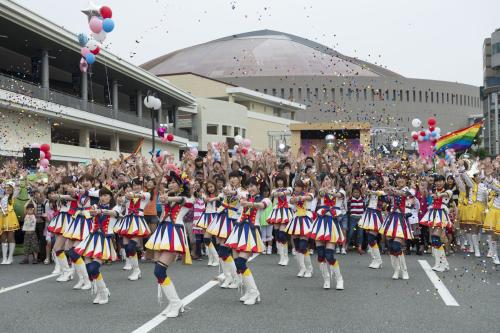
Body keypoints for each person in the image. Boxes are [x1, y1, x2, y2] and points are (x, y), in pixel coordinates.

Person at [145, 171, 193, 318]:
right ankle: (174, 303)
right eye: (170, 182)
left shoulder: (187, 198)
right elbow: (159, 185)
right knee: (159, 271)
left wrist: (169, 197)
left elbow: (184, 200)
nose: (171, 184)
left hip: (174, 234)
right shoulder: (166, 196)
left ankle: (176, 303)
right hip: (162, 232)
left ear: (180, 186)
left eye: (174, 182)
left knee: (159, 271)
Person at [226, 177, 270, 305]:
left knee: (241, 262)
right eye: (249, 186)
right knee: (237, 263)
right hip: (239, 230)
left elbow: (262, 205)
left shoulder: (264, 198)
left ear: (259, 187)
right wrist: (231, 192)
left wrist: (249, 204)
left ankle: (255, 293)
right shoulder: (245, 195)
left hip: (251, 231)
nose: (250, 188)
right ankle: (249, 291)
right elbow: (236, 193)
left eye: (253, 186)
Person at [75, 187, 121, 304]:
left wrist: (101, 211)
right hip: (92, 238)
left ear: (110, 197)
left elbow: (114, 214)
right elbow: (88, 212)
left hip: (105, 239)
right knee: (89, 269)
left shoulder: (116, 207)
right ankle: (100, 292)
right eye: (101, 195)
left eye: (105, 195)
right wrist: (88, 211)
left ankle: (104, 291)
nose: (103, 198)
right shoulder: (95, 206)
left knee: (94, 267)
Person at [206, 171, 243, 289]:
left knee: (225, 250)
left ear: (240, 179)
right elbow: (221, 196)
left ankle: (237, 278)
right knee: (221, 250)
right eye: (231, 177)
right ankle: (228, 277)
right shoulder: (226, 188)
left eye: (235, 178)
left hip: (231, 219)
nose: (232, 180)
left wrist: (231, 192)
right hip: (221, 217)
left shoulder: (242, 190)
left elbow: (237, 194)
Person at [310, 173, 345, 289]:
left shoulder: (339, 191)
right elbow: (320, 193)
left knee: (329, 255)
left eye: (329, 179)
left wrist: (331, 192)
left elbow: (339, 195)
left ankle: (339, 279)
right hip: (320, 223)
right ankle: (326, 279)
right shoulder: (322, 191)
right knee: (320, 254)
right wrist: (321, 187)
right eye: (325, 179)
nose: (327, 181)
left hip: (332, 224)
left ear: (333, 180)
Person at [114, 177, 151, 281]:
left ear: (142, 185)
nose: (136, 187)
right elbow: (120, 204)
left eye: (138, 184)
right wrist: (120, 199)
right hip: (127, 221)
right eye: (134, 185)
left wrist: (131, 195)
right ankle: (136, 270)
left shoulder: (146, 194)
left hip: (137, 221)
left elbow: (140, 195)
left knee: (131, 247)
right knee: (126, 247)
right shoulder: (127, 196)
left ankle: (136, 270)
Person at [379, 174, 413, 280]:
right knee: (390, 245)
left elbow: (404, 194)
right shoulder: (393, 189)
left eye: (402, 178)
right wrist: (386, 185)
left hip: (401, 218)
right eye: (398, 178)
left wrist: (392, 190)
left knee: (396, 245)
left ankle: (404, 270)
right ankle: (396, 270)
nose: (400, 180)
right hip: (392, 218)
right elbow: (385, 192)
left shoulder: (409, 190)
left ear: (406, 180)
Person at [419, 175, 453, 271]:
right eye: (437, 181)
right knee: (434, 240)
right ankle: (440, 263)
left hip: (441, 215)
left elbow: (446, 194)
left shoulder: (448, 191)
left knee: (435, 237)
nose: (438, 183)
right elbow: (424, 194)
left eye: (440, 181)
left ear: (444, 182)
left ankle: (443, 264)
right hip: (433, 214)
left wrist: (439, 195)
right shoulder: (434, 191)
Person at [285, 180, 313, 278]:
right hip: (296, 220)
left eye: (297, 186)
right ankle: (302, 268)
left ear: (302, 187)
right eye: (295, 186)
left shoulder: (307, 194)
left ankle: (309, 269)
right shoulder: (293, 196)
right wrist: (297, 198)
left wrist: (302, 197)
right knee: (297, 247)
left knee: (303, 246)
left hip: (305, 219)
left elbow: (310, 197)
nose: (295, 188)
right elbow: (292, 201)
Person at [358, 176, 385, 268]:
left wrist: (371, 191)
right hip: (368, 214)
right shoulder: (368, 191)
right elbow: (364, 192)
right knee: (370, 238)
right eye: (372, 180)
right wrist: (363, 186)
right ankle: (375, 260)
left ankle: (379, 260)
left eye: (375, 180)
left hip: (376, 214)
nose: (373, 182)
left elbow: (381, 194)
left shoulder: (381, 191)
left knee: (371, 238)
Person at [267, 173, 293, 265]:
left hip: (285, 212)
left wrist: (281, 192)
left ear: (285, 180)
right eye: (278, 180)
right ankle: (281, 257)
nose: (280, 182)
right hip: (277, 212)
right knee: (277, 235)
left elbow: (288, 192)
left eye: (281, 180)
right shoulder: (274, 190)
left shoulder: (289, 188)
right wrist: (276, 192)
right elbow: (273, 194)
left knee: (282, 235)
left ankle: (285, 257)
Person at [194, 180, 219, 266]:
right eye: (208, 187)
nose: (210, 188)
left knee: (209, 239)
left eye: (211, 186)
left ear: (215, 186)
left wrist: (217, 198)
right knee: (206, 239)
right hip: (206, 216)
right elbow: (206, 200)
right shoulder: (205, 195)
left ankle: (216, 257)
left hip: (214, 216)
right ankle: (211, 259)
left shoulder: (219, 194)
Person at [1, 181, 20, 264]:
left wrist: (14, 184)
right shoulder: (2, 197)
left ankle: (10, 257)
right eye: (6, 188)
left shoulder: (12, 197)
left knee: (10, 237)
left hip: (11, 218)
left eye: (9, 188)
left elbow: (18, 190)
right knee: (3, 237)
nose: (7, 189)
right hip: (2, 218)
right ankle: (4, 258)